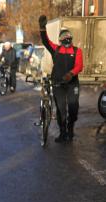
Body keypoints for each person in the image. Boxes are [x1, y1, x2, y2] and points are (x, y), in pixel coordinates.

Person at [39, 15, 83, 143]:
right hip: (58, 84)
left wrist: (71, 73)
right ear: (60, 40)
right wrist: (42, 28)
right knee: (61, 109)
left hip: (72, 83)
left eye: (69, 37)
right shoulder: (56, 49)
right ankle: (63, 132)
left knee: (73, 109)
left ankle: (70, 128)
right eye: (64, 37)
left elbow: (79, 66)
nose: (67, 39)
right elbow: (45, 41)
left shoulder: (77, 51)